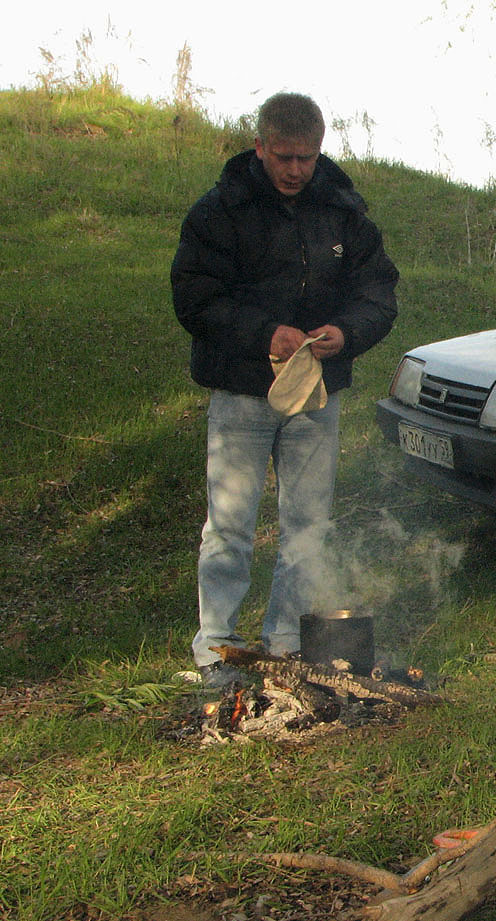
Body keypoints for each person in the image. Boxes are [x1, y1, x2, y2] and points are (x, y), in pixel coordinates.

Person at [172, 92, 399, 688]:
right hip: (242, 393)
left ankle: (286, 641)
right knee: (229, 524)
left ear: (320, 150)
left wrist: (344, 333)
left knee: (308, 523)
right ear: (260, 147)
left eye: (305, 157)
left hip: (316, 399)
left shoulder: (344, 213)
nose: (295, 169)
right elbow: (193, 297)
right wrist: (262, 334)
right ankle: (216, 647)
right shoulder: (220, 211)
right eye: (283, 156)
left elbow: (378, 295)